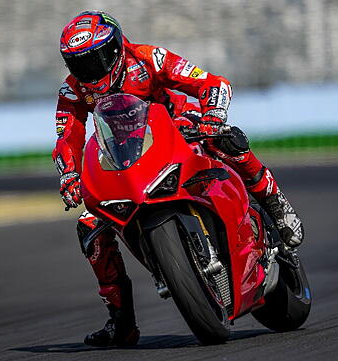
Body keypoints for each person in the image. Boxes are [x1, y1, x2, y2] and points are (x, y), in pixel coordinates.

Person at [53, 11, 304, 347]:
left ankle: (276, 205)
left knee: (227, 140)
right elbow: (67, 137)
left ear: (116, 47)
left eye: (98, 58)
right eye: (81, 64)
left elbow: (210, 82)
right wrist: (69, 174)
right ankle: (121, 321)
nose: (92, 71)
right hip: (126, 159)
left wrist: (212, 114)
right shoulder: (72, 91)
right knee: (89, 227)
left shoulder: (147, 59)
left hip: (178, 131)